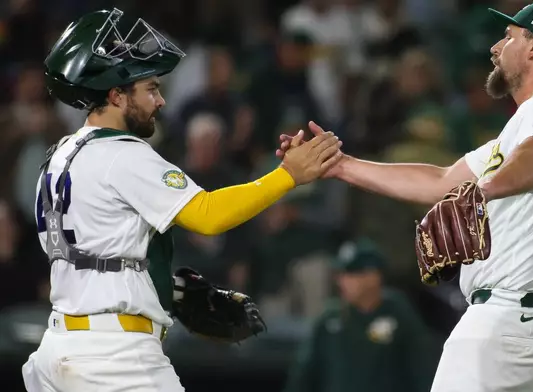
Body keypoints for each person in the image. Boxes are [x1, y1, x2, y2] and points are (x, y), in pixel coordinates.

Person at [277, 2, 533, 391]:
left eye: (508, 37)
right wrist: (341, 166)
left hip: (515, 327)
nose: (495, 48)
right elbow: (441, 180)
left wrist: (481, 193)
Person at [22, 8, 342, 392]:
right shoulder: (123, 153)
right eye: (151, 88)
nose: (160, 101)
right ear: (116, 94)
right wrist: (289, 175)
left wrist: (163, 289)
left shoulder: (58, 155)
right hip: (113, 358)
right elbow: (208, 215)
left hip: (58, 347)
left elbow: (94, 252)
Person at [282, 237, 436, 392]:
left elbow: (423, 371)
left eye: (351, 274)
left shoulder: (398, 313)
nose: (342, 281)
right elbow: (302, 376)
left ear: (373, 277)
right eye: (341, 275)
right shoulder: (329, 319)